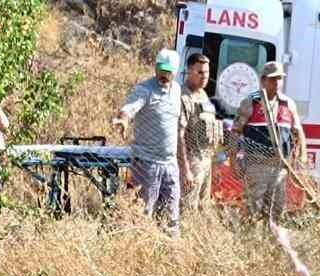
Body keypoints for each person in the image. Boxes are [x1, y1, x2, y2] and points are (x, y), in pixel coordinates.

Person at [114, 49, 185, 233]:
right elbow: (129, 108)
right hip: (146, 163)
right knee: (141, 216)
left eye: (168, 71)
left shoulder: (177, 91)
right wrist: (123, 120)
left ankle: (169, 254)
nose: (163, 74)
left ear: (175, 71)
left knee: (171, 218)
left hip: (170, 164)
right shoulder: (144, 89)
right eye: (160, 69)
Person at [231, 62, 305, 223]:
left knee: (276, 209)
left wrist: (298, 158)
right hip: (257, 165)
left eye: (280, 79)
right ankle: (250, 241)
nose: (277, 83)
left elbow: (297, 132)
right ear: (263, 80)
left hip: (281, 167)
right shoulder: (251, 102)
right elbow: (235, 132)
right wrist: (233, 161)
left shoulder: (288, 104)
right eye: (273, 79)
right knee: (253, 208)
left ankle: (270, 241)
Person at [179, 54, 221, 213]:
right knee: (188, 207)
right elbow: (179, 135)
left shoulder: (203, 95)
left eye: (207, 72)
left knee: (204, 207)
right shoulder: (183, 97)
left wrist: (214, 163)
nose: (205, 77)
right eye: (200, 72)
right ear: (189, 71)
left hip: (206, 159)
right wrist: (186, 169)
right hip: (192, 159)